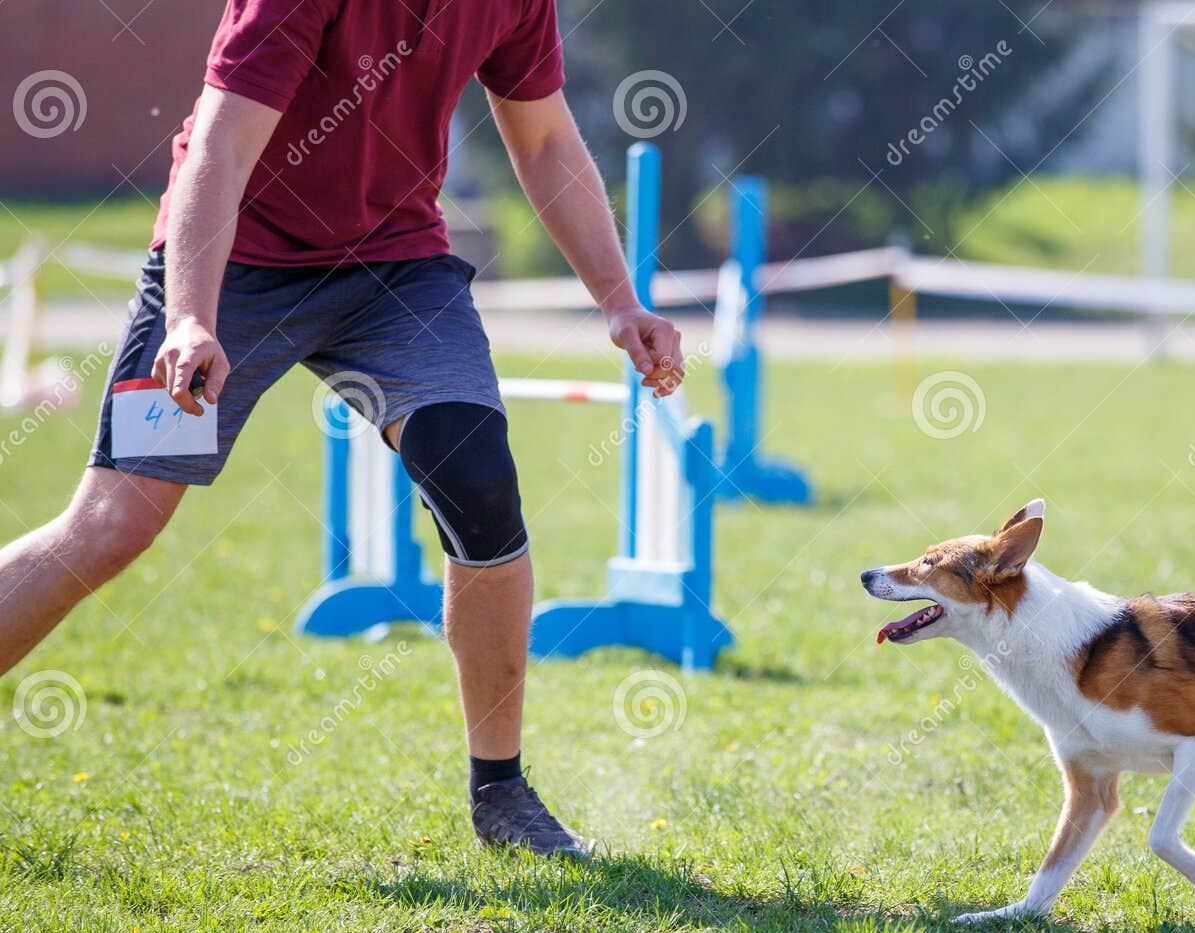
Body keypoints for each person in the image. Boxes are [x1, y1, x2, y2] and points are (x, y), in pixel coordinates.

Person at [0, 0, 683, 855]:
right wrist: (190, 317)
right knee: (111, 525)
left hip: (393, 269)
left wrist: (620, 302)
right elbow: (222, 141)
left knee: (478, 481)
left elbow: (543, 142)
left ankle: (500, 792)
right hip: (232, 268)